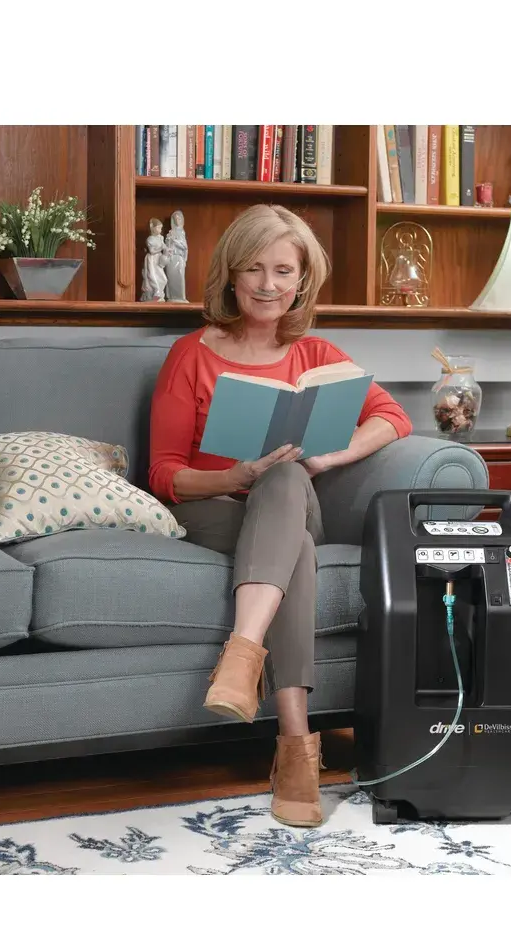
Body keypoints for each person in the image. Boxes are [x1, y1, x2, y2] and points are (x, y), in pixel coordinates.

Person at [148, 204, 412, 827]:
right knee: (294, 549)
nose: (269, 285)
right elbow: (163, 474)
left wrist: (332, 456)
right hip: (215, 508)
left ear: (302, 279)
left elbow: (393, 417)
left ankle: (243, 656)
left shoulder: (316, 352)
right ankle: (296, 745)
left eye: (283, 271)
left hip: (293, 499)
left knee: (288, 475)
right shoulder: (191, 354)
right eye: (255, 269)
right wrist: (238, 475)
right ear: (231, 276)